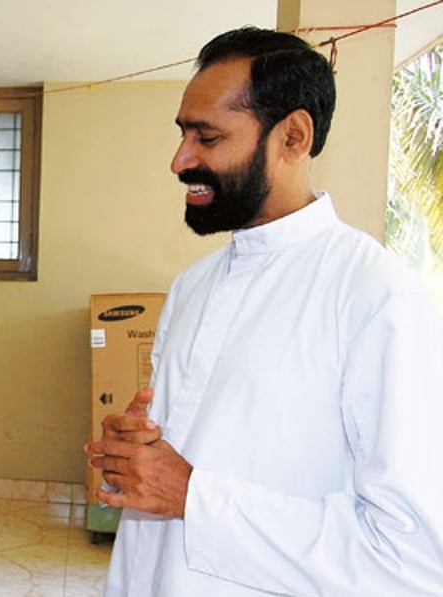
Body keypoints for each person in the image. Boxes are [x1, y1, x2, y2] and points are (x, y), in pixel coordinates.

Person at [86, 26, 443, 596]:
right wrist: (140, 455)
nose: (180, 161)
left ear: (293, 138)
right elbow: (180, 477)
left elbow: (413, 557)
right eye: (183, 134)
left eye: (208, 137)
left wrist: (192, 496)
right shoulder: (191, 288)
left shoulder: (375, 298)